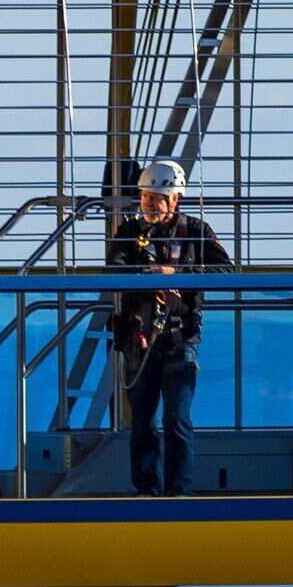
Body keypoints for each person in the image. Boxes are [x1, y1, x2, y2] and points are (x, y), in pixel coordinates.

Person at [108, 158, 228, 496]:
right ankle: (145, 490)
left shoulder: (196, 233)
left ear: (174, 199)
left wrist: (179, 277)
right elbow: (114, 270)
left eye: (155, 198)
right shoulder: (130, 232)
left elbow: (226, 271)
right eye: (145, 196)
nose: (148, 204)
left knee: (177, 420)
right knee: (143, 423)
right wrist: (150, 279)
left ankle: (179, 492)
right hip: (139, 338)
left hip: (180, 338)